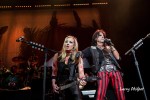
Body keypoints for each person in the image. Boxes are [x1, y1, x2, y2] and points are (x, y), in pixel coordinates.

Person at [82, 29, 125, 100]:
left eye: (103, 36)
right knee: (100, 93)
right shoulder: (92, 48)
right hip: (102, 72)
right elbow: (81, 54)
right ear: (96, 38)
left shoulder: (108, 47)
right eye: (100, 35)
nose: (103, 37)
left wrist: (111, 45)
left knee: (120, 92)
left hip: (115, 71)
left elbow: (117, 58)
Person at [51, 35, 86, 100]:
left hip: (73, 86)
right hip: (61, 86)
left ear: (74, 45)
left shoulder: (78, 56)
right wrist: (53, 84)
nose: (67, 43)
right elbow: (54, 72)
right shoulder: (57, 55)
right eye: (66, 42)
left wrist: (82, 81)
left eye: (70, 42)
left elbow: (81, 73)